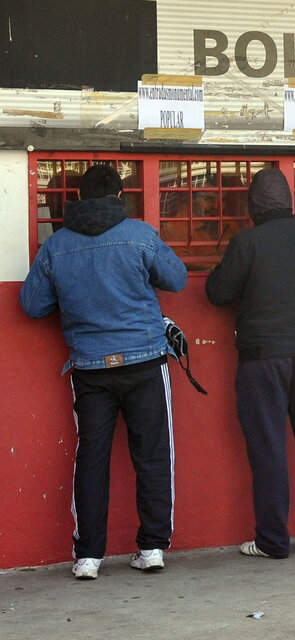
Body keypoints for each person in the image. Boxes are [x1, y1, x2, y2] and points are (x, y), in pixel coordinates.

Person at [19, 164, 187, 580]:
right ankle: (150, 548)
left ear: (77, 199)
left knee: (91, 458)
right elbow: (178, 279)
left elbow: (32, 305)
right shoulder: (140, 234)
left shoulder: (56, 246)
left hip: (90, 368)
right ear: (118, 196)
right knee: (152, 455)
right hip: (145, 361)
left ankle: (88, 557)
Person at [205, 168, 295, 560]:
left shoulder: (246, 243)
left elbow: (217, 293)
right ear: (289, 203)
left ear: (253, 206)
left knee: (268, 449)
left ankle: (272, 540)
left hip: (261, 360)